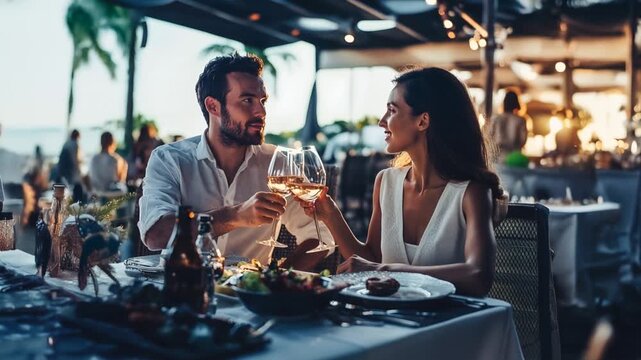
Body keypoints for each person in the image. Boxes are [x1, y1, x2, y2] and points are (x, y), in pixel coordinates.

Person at [297, 67, 505, 296]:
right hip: (391, 319)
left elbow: (478, 277)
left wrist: (389, 270)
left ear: (423, 121)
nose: (381, 122)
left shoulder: (471, 192)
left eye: (391, 110)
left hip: (450, 325)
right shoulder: (386, 182)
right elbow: (372, 260)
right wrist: (330, 215)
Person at [138, 53, 333, 270]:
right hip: (186, 290)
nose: (261, 111)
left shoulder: (279, 164)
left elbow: (320, 236)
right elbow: (156, 235)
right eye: (247, 100)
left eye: (262, 101)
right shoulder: (170, 160)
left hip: (249, 300)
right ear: (213, 106)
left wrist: (277, 280)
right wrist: (236, 216)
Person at [490, 89, 528, 160]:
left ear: (504, 102)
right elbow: (523, 140)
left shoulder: (496, 119)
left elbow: (490, 138)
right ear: (516, 103)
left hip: (497, 157)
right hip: (514, 159)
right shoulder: (521, 120)